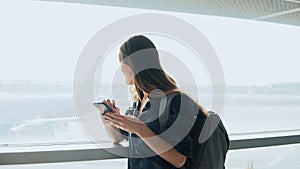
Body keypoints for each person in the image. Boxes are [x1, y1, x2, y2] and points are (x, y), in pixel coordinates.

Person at [100, 35, 210, 169]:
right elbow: (118, 138)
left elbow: (179, 159)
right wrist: (110, 120)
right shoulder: (138, 105)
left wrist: (139, 128)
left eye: (121, 62)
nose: (120, 69)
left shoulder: (177, 102)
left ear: (131, 65)